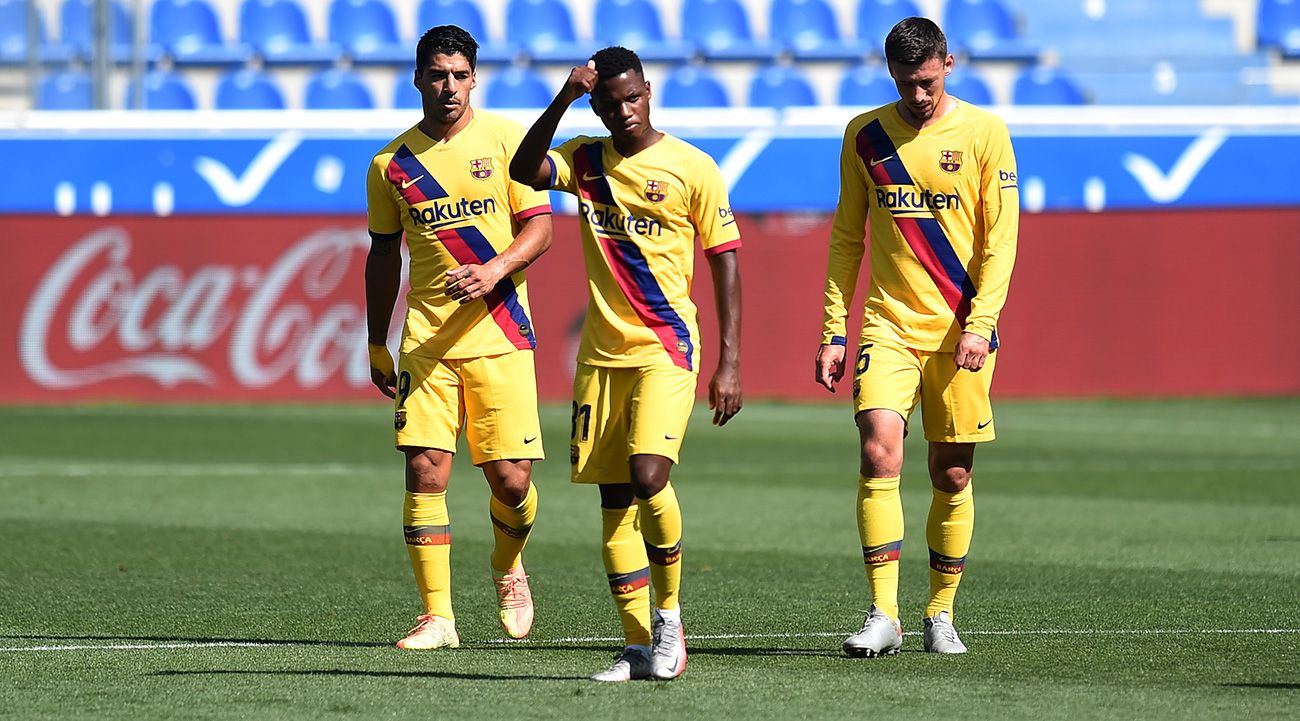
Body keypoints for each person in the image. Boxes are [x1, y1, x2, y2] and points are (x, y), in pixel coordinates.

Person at [510, 47, 743, 682]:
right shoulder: (586, 158)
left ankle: (669, 618)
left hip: (667, 348)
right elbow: (524, 168)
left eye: (632, 97)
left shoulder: (693, 167)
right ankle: (638, 645)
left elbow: (724, 258)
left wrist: (730, 361)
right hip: (601, 358)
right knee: (614, 500)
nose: (624, 111)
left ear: (649, 90)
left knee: (647, 476)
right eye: (609, 103)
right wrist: (562, 97)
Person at [815, 16, 1019, 657]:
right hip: (889, 323)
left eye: (927, 81)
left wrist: (981, 325)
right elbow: (848, 237)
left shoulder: (986, 133)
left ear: (948, 65)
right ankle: (883, 613)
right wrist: (833, 330)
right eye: (907, 83)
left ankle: (939, 613)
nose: (919, 95)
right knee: (879, 450)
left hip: (961, 327)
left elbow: (1001, 241)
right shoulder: (866, 136)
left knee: (952, 472)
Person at [365, 25, 553, 650]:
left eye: (459, 76)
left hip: (501, 333)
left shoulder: (507, 142)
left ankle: (507, 566)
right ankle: (437, 616)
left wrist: (495, 269)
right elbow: (382, 255)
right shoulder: (391, 164)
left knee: (512, 482)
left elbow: (539, 229)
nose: (448, 87)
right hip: (426, 341)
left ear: (475, 79)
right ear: (418, 78)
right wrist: (375, 340)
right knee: (425, 470)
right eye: (437, 75)